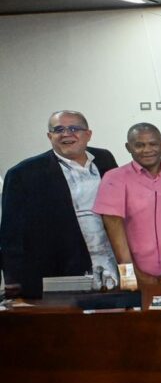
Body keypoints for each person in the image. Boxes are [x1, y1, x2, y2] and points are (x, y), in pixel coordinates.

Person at [0, 111, 118, 298]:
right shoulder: (24, 174)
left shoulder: (104, 160)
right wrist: (15, 285)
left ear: (88, 134)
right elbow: (11, 237)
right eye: (59, 129)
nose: (66, 134)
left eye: (74, 128)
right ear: (50, 136)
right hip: (62, 272)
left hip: (110, 266)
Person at [93, 123, 161, 284]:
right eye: (139, 145)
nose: (147, 150)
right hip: (132, 273)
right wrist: (132, 275)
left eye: (153, 144)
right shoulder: (113, 178)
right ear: (128, 147)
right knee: (137, 309)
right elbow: (113, 228)